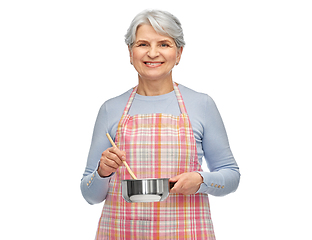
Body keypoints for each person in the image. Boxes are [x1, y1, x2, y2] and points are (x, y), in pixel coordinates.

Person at [80, 9, 240, 239]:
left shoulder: (202, 104)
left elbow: (231, 176)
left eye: (164, 44)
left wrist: (202, 180)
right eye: (143, 44)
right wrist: (103, 172)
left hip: (186, 232)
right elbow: (89, 195)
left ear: (179, 53)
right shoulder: (110, 109)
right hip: (120, 232)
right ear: (130, 52)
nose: (153, 53)